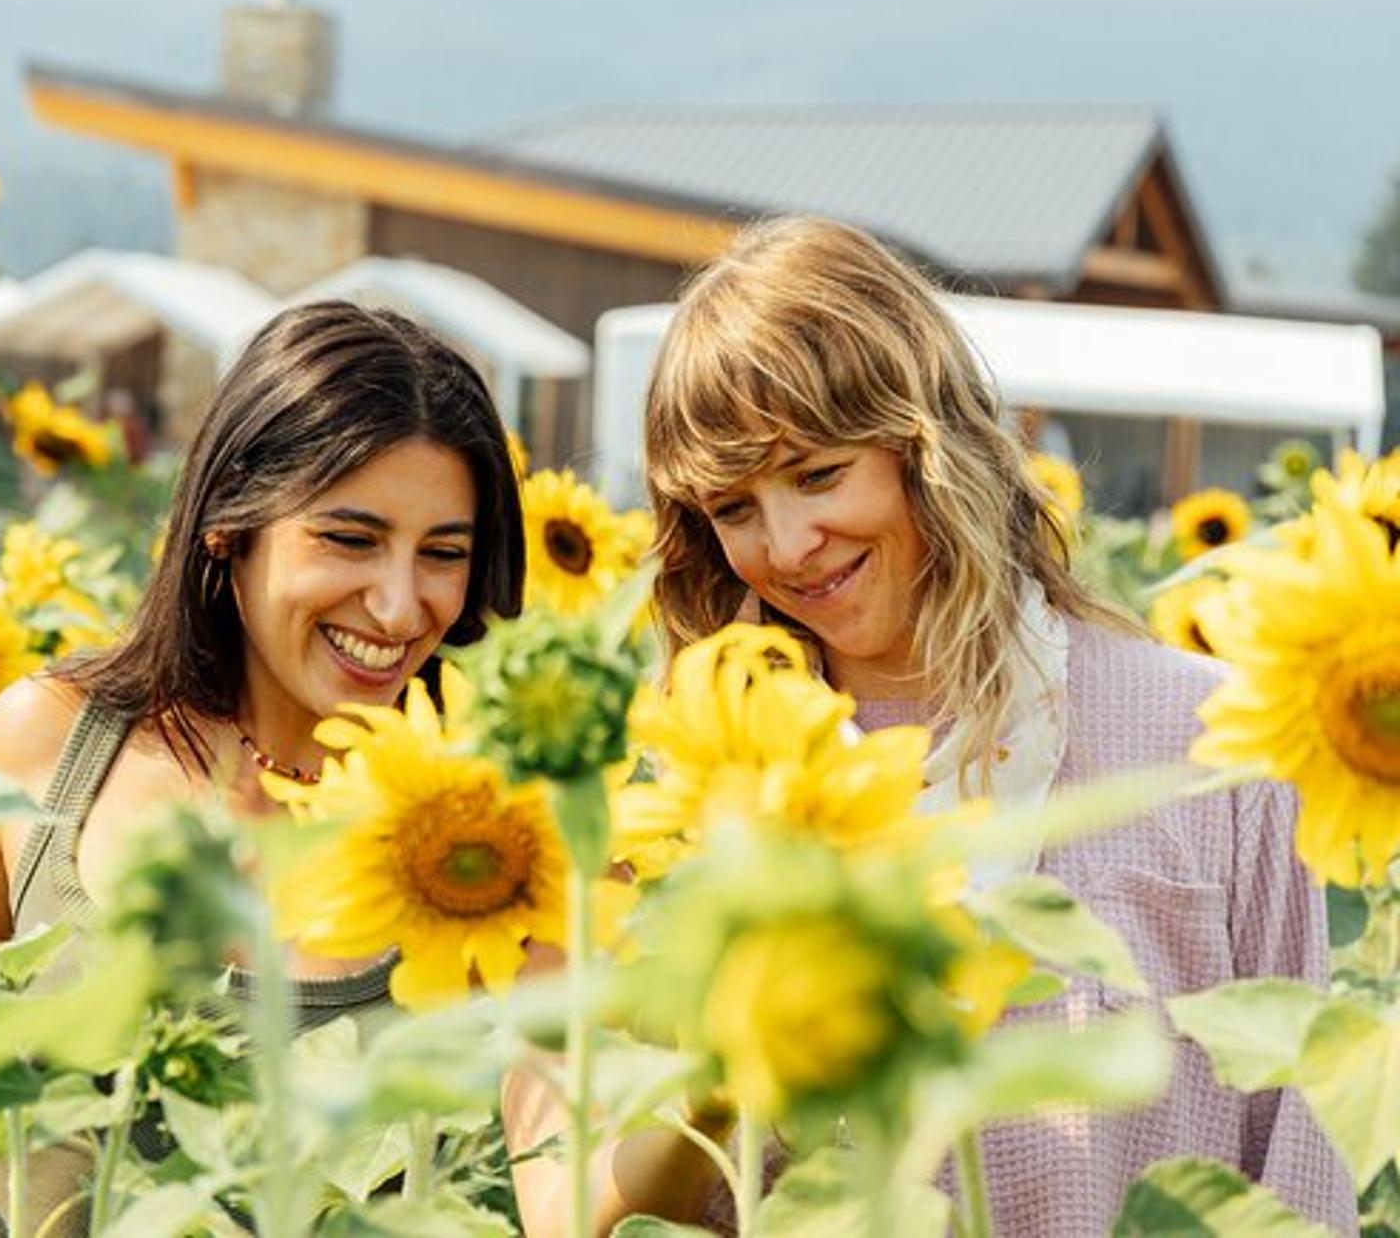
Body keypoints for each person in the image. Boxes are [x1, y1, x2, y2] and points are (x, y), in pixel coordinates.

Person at [504, 217, 1355, 1235]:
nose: (785, 545)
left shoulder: (1205, 739)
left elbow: (1299, 1143)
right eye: (731, 509)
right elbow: (594, 1199)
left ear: (927, 446)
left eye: (818, 474)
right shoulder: (683, 788)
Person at [0, 301, 525, 1237]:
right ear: (230, 523)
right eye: (350, 539)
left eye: (442, 554)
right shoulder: (52, 742)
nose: (396, 606)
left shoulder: (491, 822)